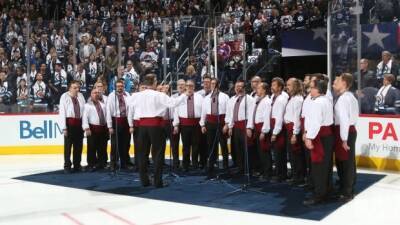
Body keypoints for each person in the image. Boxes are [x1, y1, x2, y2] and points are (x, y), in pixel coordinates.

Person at [130, 74, 187, 188]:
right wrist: (184, 94)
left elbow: (130, 105)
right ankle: (157, 182)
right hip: (155, 126)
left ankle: (144, 181)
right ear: (154, 82)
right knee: (158, 154)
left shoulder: (137, 95)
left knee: (142, 154)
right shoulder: (159, 95)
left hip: (142, 126)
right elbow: (173, 103)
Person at [303, 78, 334, 206]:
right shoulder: (326, 100)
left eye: (311, 87)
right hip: (326, 136)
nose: (310, 90)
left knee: (318, 167)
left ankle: (319, 195)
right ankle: (326, 191)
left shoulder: (317, 103)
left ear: (317, 89)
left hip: (319, 137)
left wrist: (309, 137)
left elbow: (315, 123)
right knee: (325, 165)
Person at [332, 73, 359, 202]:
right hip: (348, 130)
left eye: (337, 80)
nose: (335, 82)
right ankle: (347, 187)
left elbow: (344, 119)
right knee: (346, 161)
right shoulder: (349, 96)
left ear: (344, 83)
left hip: (344, 131)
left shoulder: (343, 98)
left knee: (345, 162)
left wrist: (343, 139)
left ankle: (347, 192)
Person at [200, 78, 230, 178]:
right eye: (211, 83)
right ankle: (212, 165)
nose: (213, 85)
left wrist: (227, 124)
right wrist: (202, 124)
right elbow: (203, 112)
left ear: (218, 85)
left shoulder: (225, 97)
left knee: (223, 145)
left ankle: (225, 165)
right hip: (210, 124)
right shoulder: (206, 98)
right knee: (211, 145)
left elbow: (228, 112)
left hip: (221, 123)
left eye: (214, 83)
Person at [173, 79, 204, 171]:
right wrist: (176, 124)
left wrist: (202, 124)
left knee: (196, 145)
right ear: (185, 87)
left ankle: (195, 164)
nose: (189, 88)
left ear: (194, 87)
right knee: (185, 146)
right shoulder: (181, 97)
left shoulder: (199, 97)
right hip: (184, 125)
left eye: (191, 86)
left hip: (196, 125)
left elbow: (203, 112)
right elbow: (176, 112)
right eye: (188, 86)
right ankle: (185, 165)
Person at [227, 80, 255, 175]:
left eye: (240, 86)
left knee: (246, 148)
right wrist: (230, 127)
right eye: (236, 86)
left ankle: (249, 168)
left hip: (245, 125)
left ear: (244, 87)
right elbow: (231, 114)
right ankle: (240, 167)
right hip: (236, 126)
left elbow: (251, 114)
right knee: (237, 148)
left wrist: (249, 127)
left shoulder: (249, 99)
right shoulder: (232, 99)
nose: (238, 88)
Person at [247, 82, 272, 181]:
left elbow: (266, 117)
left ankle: (267, 172)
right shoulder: (256, 100)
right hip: (256, 128)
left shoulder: (267, 101)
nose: (256, 89)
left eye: (259, 88)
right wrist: (250, 127)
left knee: (264, 151)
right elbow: (251, 114)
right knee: (259, 152)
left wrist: (264, 131)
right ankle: (262, 170)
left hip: (262, 128)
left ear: (264, 90)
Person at [59, 80, 86, 173]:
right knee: (68, 147)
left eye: (78, 87)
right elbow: (62, 112)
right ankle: (67, 166)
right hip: (69, 124)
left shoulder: (81, 96)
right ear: (70, 88)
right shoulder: (64, 96)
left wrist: (85, 125)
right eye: (75, 88)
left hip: (79, 124)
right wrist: (64, 127)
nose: (77, 89)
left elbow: (84, 111)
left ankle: (77, 165)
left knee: (78, 146)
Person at [106, 79, 132, 170]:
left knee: (125, 143)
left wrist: (131, 124)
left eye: (122, 86)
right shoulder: (111, 96)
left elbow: (130, 109)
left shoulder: (127, 95)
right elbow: (108, 111)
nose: (120, 88)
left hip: (126, 121)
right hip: (116, 121)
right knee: (115, 144)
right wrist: (109, 126)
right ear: (115, 87)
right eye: (118, 86)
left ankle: (125, 163)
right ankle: (113, 163)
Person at [284, 78, 305, 185]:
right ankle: (295, 174)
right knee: (292, 154)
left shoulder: (298, 99)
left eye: (289, 85)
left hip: (293, 128)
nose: (287, 87)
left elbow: (297, 118)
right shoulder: (292, 98)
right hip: (289, 128)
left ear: (295, 86)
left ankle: (299, 177)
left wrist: (294, 133)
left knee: (296, 154)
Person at [82, 89, 109, 171]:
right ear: (91, 94)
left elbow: (106, 117)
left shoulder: (103, 105)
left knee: (103, 147)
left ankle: (103, 163)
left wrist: (108, 127)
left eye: (98, 93)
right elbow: (84, 118)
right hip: (92, 129)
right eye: (94, 93)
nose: (96, 94)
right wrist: (86, 128)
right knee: (92, 148)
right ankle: (91, 164)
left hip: (103, 128)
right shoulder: (87, 105)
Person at [270, 77, 289, 182]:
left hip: (279, 129)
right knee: (276, 152)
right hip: (274, 126)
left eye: (274, 85)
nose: (272, 87)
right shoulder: (274, 96)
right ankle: (279, 172)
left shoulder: (281, 99)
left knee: (279, 153)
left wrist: (275, 133)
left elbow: (280, 117)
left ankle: (281, 174)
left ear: (280, 87)